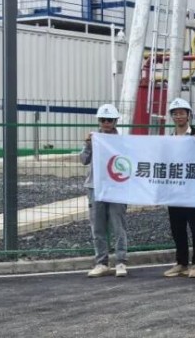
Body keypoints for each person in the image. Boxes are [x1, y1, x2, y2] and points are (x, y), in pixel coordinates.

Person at [80, 103, 128, 278]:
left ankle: (121, 261)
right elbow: (84, 160)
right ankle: (101, 262)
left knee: (118, 225)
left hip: (117, 187)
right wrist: (88, 145)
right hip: (95, 186)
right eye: (103, 120)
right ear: (99, 121)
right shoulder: (94, 139)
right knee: (98, 227)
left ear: (115, 121)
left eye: (109, 120)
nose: (106, 123)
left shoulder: (123, 142)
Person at [163, 97, 195, 279]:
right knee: (177, 228)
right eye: (175, 113)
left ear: (189, 115)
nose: (179, 116)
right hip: (175, 190)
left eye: (182, 113)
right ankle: (181, 262)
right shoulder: (169, 139)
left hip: (193, 190)